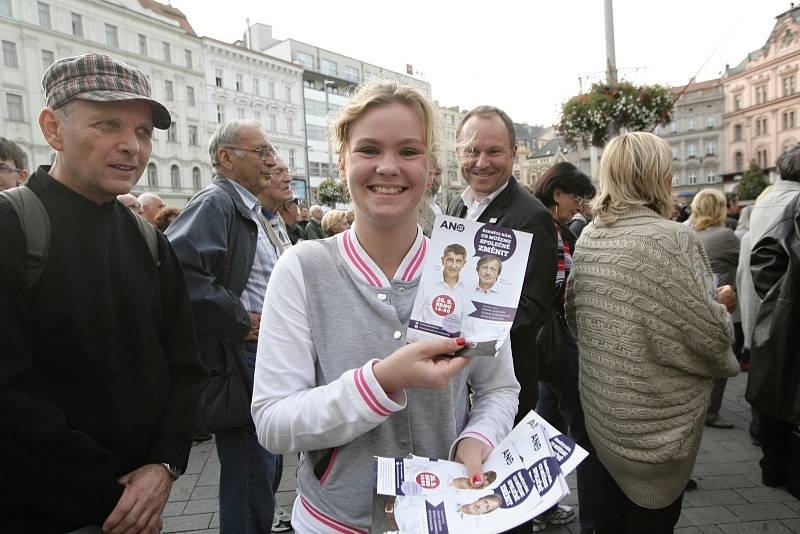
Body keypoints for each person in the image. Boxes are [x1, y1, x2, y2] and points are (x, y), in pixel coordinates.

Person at [251, 79, 519, 533]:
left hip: (446, 518)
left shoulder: (467, 270)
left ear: (431, 168)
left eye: (409, 152)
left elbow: (498, 389)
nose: (389, 167)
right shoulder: (302, 269)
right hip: (334, 522)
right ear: (342, 162)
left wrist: (476, 438)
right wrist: (380, 381)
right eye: (369, 149)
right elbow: (274, 422)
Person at [0, 52, 206, 533]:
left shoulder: (148, 240)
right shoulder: (12, 227)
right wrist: (118, 497)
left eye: (142, 132)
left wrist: (163, 466)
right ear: (53, 129)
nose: (130, 146)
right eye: (108, 124)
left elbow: (185, 365)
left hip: (138, 507)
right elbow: (11, 395)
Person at [565, 132, 738, 534]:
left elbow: (577, 317)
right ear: (657, 174)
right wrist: (721, 306)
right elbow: (711, 337)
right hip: (657, 427)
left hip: (604, 413)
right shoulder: (673, 238)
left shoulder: (590, 236)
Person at [166, 120, 282, 534]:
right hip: (242, 357)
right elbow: (179, 269)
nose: (272, 160)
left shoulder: (247, 207)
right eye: (262, 151)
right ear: (226, 158)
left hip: (259, 353)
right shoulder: (216, 203)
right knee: (251, 472)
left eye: (270, 151)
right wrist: (237, 320)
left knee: (264, 469)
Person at [447, 105, 557, 534]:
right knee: (465, 483)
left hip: (506, 377)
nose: (480, 162)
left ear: (514, 153)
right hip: (458, 374)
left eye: (493, 151)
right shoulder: (459, 203)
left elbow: (535, 305)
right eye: (471, 150)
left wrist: (473, 325)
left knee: (502, 497)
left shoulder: (531, 215)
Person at [531, 161, 597, 533]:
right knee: (582, 430)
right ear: (558, 194)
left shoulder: (549, 223)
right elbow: (556, 283)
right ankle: (590, 518)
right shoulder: (548, 227)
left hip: (546, 345)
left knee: (547, 424)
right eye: (575, 197)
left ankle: (544, 505)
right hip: (555, 342)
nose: (578, 204)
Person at [748, 160, 800, 488]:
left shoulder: (766, 199)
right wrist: (784, 297)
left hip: (779, 319)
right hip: (786, 319)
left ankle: (775, 466)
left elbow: (763, 258)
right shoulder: (793, 204)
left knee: (777, 391)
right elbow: (765, 256)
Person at [690, 188, 741, 430]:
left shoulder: (688, 232)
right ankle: (711, 412)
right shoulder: (726, 236)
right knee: (720, 358)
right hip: (720, 303)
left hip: (693, 305)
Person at [410, 243, 468, 335]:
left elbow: (467, 323)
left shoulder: (467, 290)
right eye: (450, 260)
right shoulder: (426, 284)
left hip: (451, 344)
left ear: (463, 264)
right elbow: (414, 315)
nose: (453, 266)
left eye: (458, 261)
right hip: (424, 339)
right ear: (442, 260)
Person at [417, 155, 444, 237]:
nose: (433, 178)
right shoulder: (410, 210)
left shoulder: (445, 209)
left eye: (437, 173)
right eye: (429, 173)